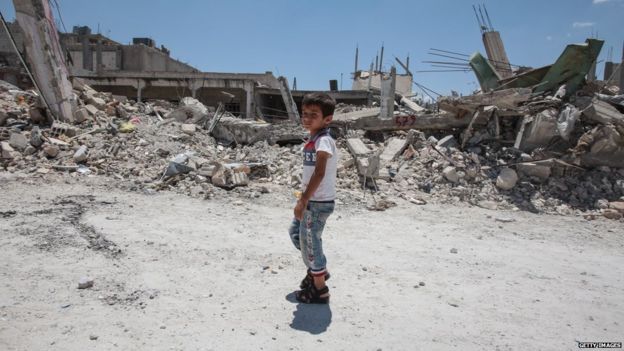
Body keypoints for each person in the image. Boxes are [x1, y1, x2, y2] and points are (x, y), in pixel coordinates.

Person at [288, 92, 338, 304]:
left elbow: (319, 173)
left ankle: (320, 289)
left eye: (313, 114)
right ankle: (318, 269)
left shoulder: (324, 141)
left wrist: (303, 200)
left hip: (317, 203)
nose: (307, 118)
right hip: (312, 200)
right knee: (297, 234)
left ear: (327, 119)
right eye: (304, 113)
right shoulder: (314, 138)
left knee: (311, 243)